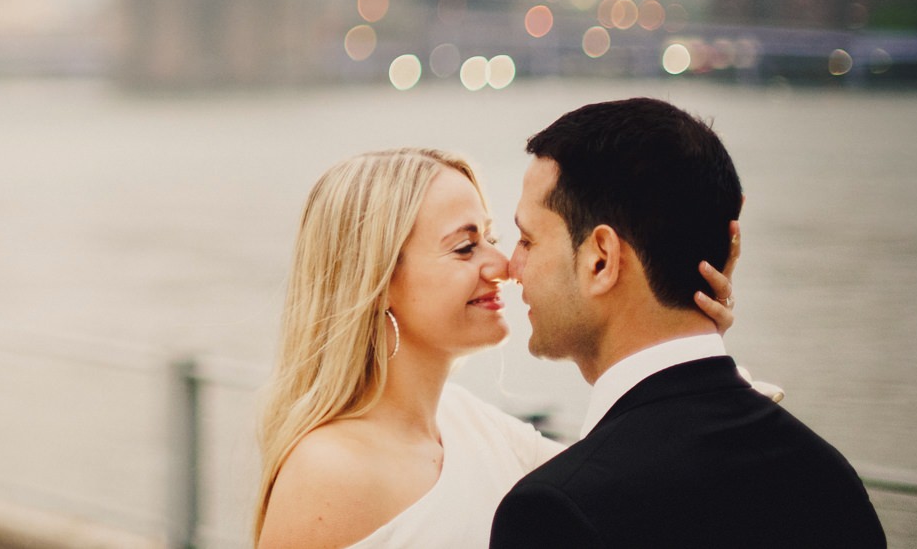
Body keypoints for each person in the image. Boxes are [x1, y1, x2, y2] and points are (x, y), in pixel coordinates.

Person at [251, 145, 738, 549]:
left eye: (492, 238)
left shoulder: (471, 426)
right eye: (466, 247)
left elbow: (637, 488)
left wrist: (690, 337)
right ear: (376, 283)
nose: (504, 264)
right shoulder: (326, 473)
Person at [492, 97, 884, 547]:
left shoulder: (555, 511)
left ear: (601, 259)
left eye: (527, 239)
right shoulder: (828, 477)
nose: (510, 265)